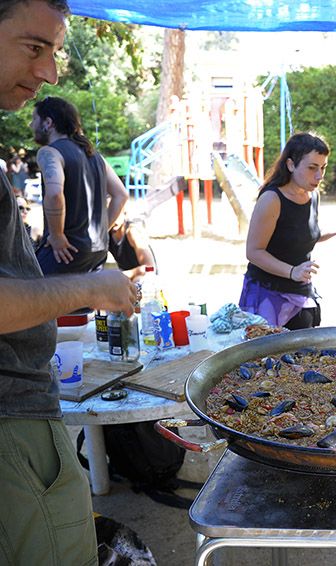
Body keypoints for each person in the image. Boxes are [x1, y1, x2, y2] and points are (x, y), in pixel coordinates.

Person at [0, 2, 138, 564]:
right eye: (35, 48)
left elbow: (55, 193)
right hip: (14, 420)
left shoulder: (56, 149)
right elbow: (108, 194)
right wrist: (91, 281)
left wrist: (59, 239)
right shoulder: (78, 149)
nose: (51, 73)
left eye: (54, 53)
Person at [240, 132, 336, 330]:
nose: (319, 176)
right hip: (268, 298)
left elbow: (304, 236)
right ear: (291, 165)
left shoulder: (312, 195)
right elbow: (254, 252)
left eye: (323, 168)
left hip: (301, 294)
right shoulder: (272, 199)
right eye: (312, 168)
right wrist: (292, 271)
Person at [32, 96, 129, 275]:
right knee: (83, 304)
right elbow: (121, 195)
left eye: (34, 119)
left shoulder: (49, 152)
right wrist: (102, 230)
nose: (31, 125)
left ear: (48, 122)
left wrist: (57, 236)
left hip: (64, 253)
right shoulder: (94, 154)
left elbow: (54, 194)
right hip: (97, 251)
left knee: (32, 299)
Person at [108, 211, 156, 282]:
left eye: (117, 214)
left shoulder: (132, 232)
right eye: (109, 214)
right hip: (126, 278)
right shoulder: (106, 235)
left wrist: (129, 274)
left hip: (144, 278)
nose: (114, 219)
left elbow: (150, 268)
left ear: (124, 214)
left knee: (137, 280)